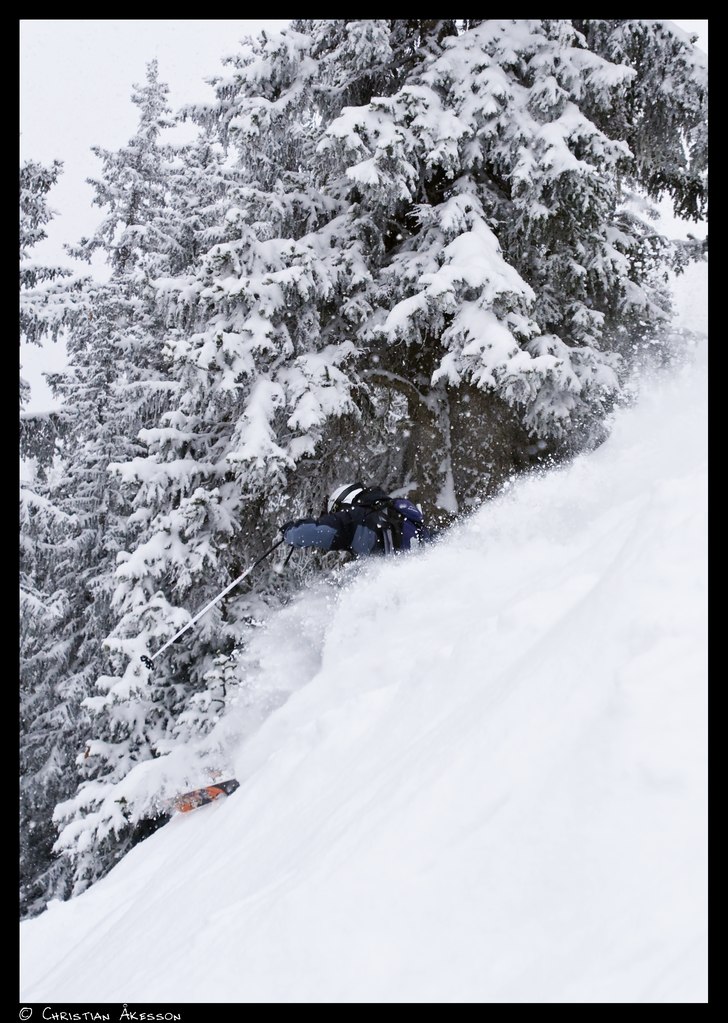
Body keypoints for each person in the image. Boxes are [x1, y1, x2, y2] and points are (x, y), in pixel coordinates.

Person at [281, 482, 433, 558]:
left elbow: (312, 532)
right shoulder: (393, 511)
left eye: (337, 512)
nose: (337, 516)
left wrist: (289, 531)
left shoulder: (354, 517)